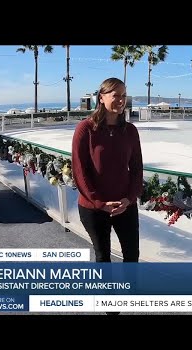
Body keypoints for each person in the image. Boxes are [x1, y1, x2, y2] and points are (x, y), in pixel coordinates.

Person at [72, 77, 143, 263]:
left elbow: (136, 169)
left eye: (124, 95)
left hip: (125, 206)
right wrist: (99, 202)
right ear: (101, 98)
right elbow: (80, 171)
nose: (121, 100)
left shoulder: (130, 131)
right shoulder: (85, 129)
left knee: (132, 256)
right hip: (94, 208)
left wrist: (128, 200)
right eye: (116, 95)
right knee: (103, 256)